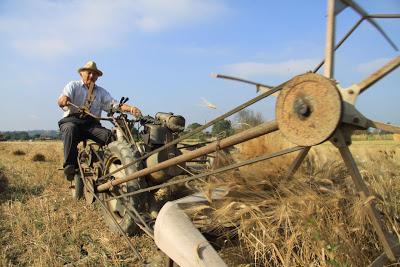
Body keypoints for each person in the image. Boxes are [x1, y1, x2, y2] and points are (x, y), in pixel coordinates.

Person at [57, 60, 141, 180]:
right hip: (72, 120)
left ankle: (109, 166)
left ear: (97, 77)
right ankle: (70, 167)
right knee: (70, 129)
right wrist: (63, 99)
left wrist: (131, 109)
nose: (91, 76)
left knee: (110, 137)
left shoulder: (101, 92)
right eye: (89, 73)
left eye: (94, 74)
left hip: (91, 124)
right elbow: (62, 99)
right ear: (82, 73)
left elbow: (114, 105)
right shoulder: (73, 86)